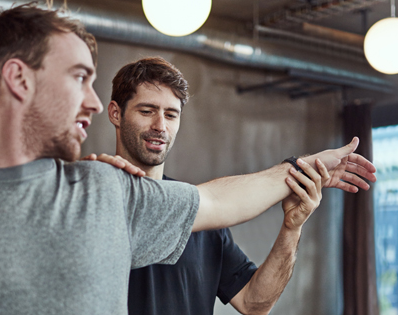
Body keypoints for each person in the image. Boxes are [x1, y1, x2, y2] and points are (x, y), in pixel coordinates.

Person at [0, 3, 377, 315]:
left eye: (172, 114)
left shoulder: (107, 193)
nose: (94, 102)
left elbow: (219, 200)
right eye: (79, 77)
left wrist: (303, 170)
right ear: (18, 78)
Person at [108, 57, 322, 315]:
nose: (160, 126)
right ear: (116, 113)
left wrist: (292, 228)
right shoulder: (94, 200)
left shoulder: (199, 213)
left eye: (171, 114)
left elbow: (254, 303)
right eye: (147, 111)